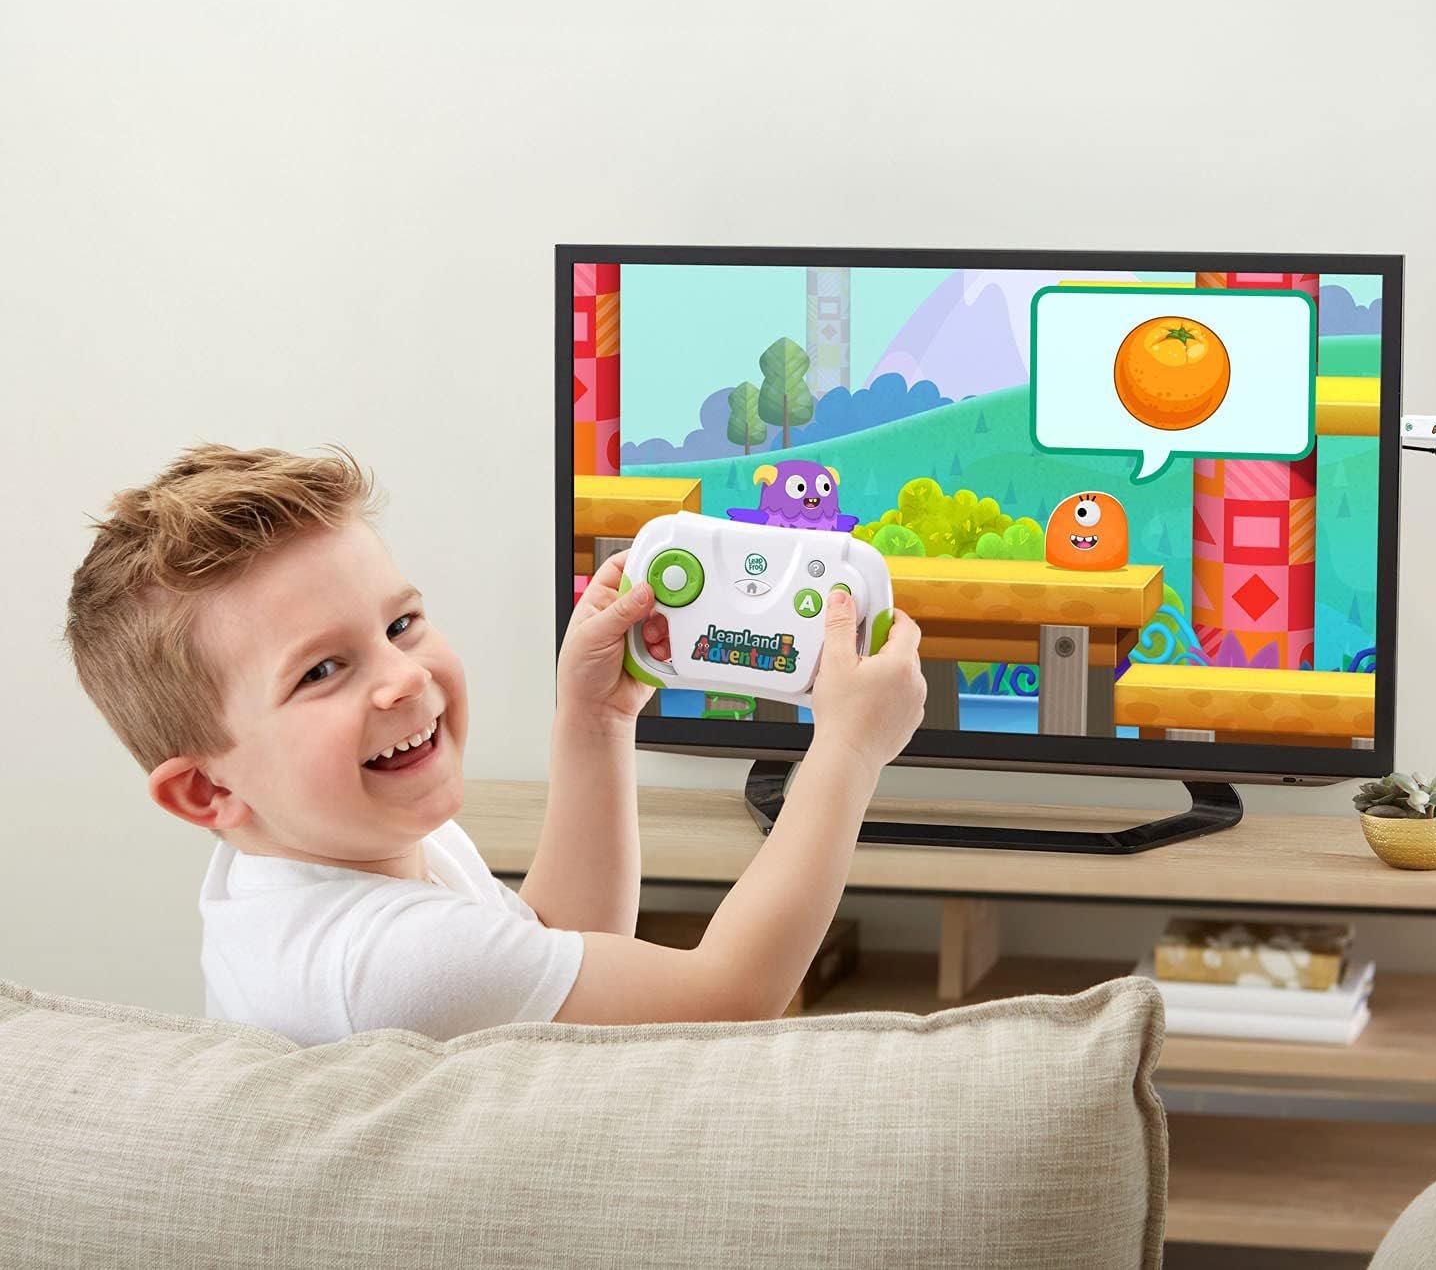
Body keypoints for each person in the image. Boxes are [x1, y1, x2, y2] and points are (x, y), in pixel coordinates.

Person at [63, 442, 926, 1043]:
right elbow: (727, 1000)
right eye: (321, 671)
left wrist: (596, 717)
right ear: (206, 792)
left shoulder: (320, 850)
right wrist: (848, 753)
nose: (403, 678)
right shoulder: (384, 963)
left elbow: (547, 952)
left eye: (400, 624)